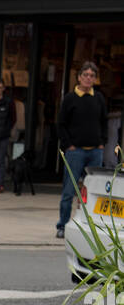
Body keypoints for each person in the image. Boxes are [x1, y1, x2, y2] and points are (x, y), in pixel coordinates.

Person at [55, 61, 108, 238]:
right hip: (75, 152)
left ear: (95, 79)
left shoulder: (99, 98)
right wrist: (68, 145)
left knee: (93, 193)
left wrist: (102, 143)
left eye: (92, 76)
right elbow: (61, 124)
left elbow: (104, 122)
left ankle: (89, 227)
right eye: (85, 75)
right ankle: (62, 225)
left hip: (95, 152)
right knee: (69, 191)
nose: (88, 78)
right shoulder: (70, 98)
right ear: (79, 77)